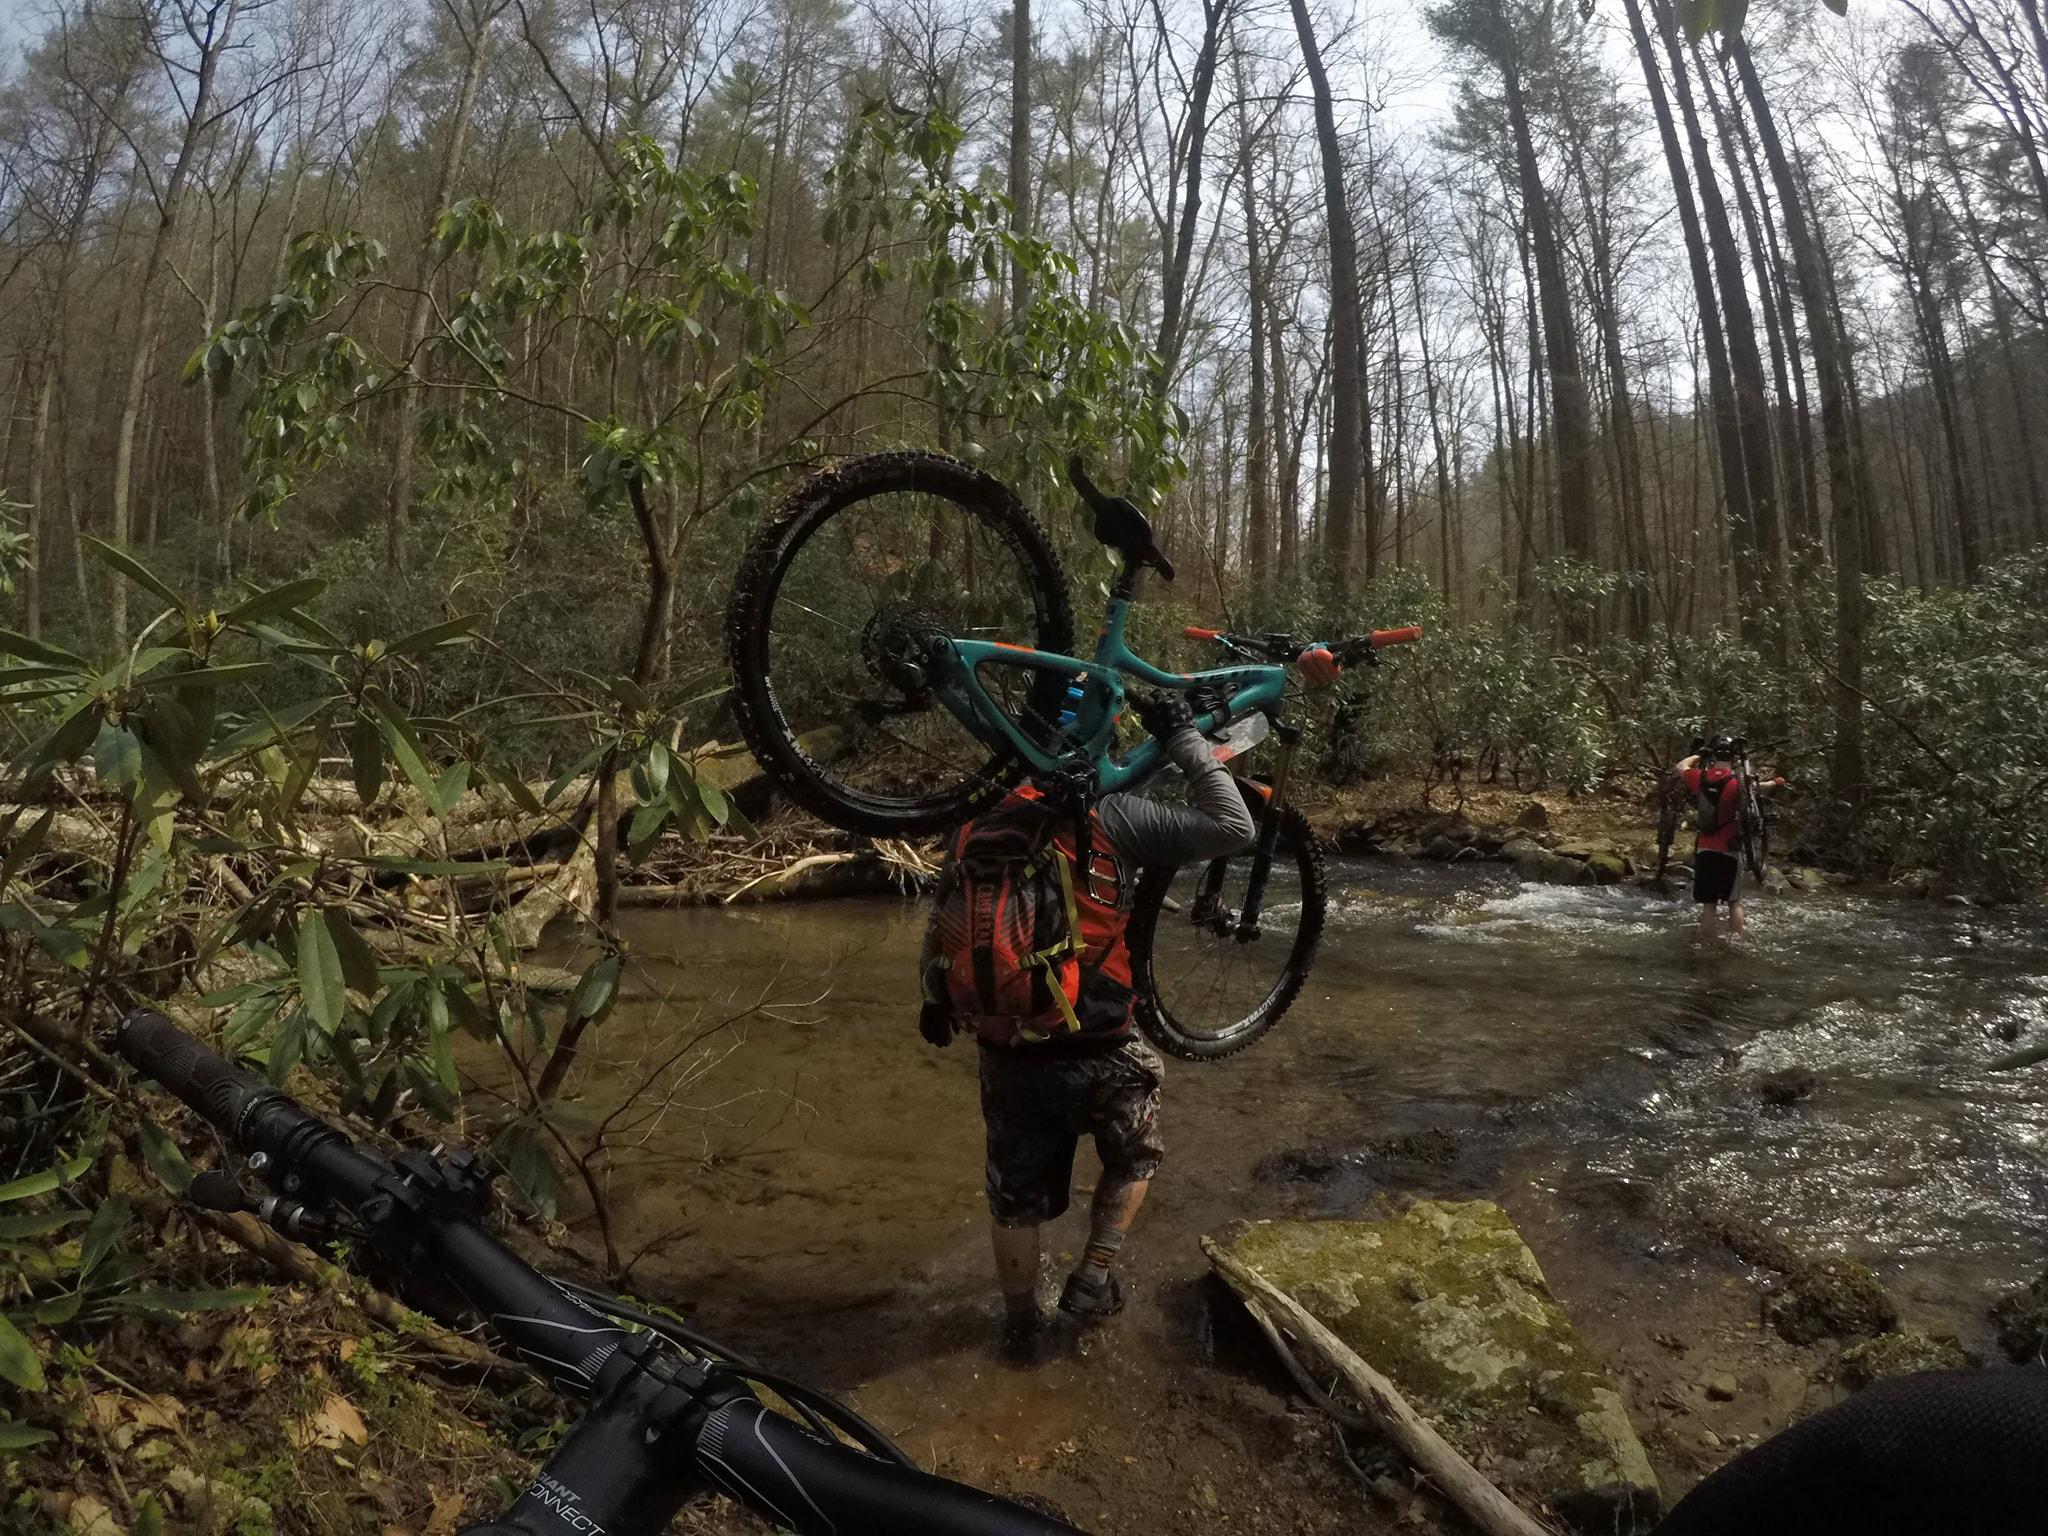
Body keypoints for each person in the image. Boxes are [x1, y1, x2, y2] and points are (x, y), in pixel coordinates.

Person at [917, 690, 1256, 1345]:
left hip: (1007, 1051)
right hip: (1102, 1045)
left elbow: (946, 924)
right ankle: (1093, 1281)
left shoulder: (979, 822)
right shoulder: (1115, 815)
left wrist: (934, 1001)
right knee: (1135, 1157)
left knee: (1014, 1197)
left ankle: (1018, 1329)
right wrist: (1185, 740)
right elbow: (1234, 827)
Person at [1677, 736, 1747, 934]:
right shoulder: (1737, 783)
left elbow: (1681, 766)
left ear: (1713, 756)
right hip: (1729, 850)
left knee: (1709, 906)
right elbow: (1759, 788)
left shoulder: (1699, 777)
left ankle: (1706, 944)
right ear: (1733, 759)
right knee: (1734, 903)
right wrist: (1776, 782)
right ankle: (1739, 944)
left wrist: (1698, 755)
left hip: (1705, 848)